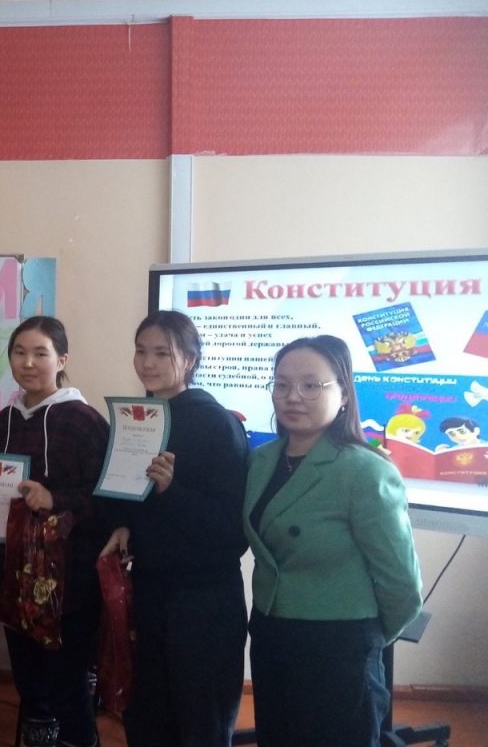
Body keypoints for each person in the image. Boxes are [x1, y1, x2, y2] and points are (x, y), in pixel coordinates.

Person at [244, 335, 423, 747]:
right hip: (271, 634)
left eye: (311, 385)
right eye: (282, 384)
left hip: (339, 647)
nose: (293, 396)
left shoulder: (364, 471)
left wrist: (364, 644)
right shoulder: (261, 461)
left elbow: (401, 584)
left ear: (343, 393)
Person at [99, 310, 249, 747]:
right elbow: (122, 494)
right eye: (141, 351)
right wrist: (122, 523)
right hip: (149, 590)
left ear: (190, 359)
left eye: (162, 353)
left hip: (202, 602)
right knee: (148, 713)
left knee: (199, 719)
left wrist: (172, 490)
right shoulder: (137, 418)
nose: (148, 363)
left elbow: (232, 532)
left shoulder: (216, 423)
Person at [0, 316, 109, 747]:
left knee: (67, 680)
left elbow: (106, 499)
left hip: (69, 578)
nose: (28, 363)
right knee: (29, 679)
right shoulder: (4, 420)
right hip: (15, 572)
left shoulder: (84, 420)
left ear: (62, 360)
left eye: (41, 353)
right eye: (19, 352)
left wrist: (54, 499)